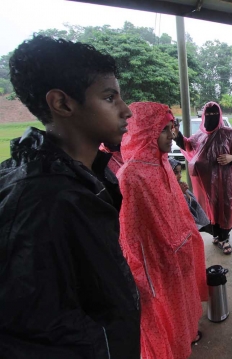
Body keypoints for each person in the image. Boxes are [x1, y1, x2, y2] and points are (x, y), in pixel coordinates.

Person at [0, 35, 140, 358]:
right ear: (63, 103)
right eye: (110, 98)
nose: (126, 110)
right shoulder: (41, 203)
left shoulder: (84, 179)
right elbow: (35, 332)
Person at [117, 102, 207, 359]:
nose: (172, 135)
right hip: (157, 264)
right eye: (164, 130)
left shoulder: (163, 163)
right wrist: (142, 277)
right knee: (164, 316)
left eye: (172, 128)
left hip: (179, 252)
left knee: (183, 309)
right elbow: (130, 236)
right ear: (145, 132)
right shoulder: (130, 175)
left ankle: (186, 339)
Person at [175, 101, 232, 255]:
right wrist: (177, 135)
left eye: (214, 114)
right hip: (205, 183)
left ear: (220, 115)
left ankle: (224, 237)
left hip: (226, 181)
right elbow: (188, 145)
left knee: (225, 207)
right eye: (208, 114)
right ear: (203, 116)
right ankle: (217, 235)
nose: (211, 117)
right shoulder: (200, 135)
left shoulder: (229, 133)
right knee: (210, 207)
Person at [169, 158, 211, 232]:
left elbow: (193, 204)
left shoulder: (180, 185)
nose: (180, 176)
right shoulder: (165, 189)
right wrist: (179, 193)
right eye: (176, 173)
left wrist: (185, 193)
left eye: (180, 172)